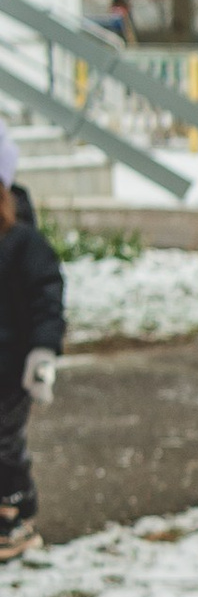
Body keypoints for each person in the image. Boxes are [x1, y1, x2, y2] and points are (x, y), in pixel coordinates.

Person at [0, 125, 64, 566]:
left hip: (12, 368)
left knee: (3, 440)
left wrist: (42, 355)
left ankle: (14, 515)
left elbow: (48, 301)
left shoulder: (23, 243)